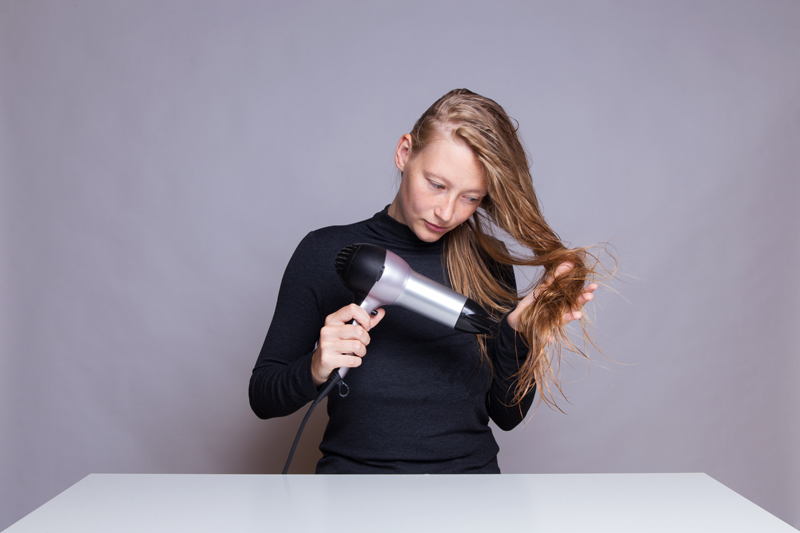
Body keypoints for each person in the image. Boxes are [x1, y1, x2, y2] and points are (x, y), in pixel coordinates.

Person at [249, 89, 600, 474]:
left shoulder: (489, 263)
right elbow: (263, 397)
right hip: (351, 493)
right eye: (436, 184)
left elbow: (508, 415)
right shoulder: (325, 252)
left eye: (470, 198)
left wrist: (520, 335)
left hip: (470, 494)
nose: (447, 212)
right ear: (404, 153)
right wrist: (317, 366)